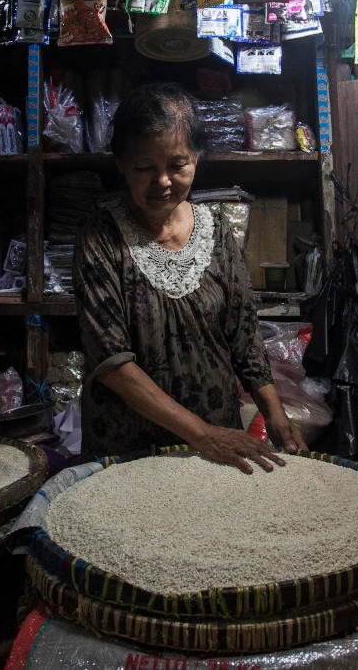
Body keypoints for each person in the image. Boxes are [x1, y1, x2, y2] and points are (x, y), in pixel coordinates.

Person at [75, 83, 307, 472]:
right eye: (145, 167)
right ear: (121, 164)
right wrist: (200, 433)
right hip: (130, 442)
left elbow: (245, 336)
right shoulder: (100, 236)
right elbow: (111, 361)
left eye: (177, 165)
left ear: (197, 158)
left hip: (218, 437)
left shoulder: (215, 230)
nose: (162, 181)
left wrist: (275, 413)